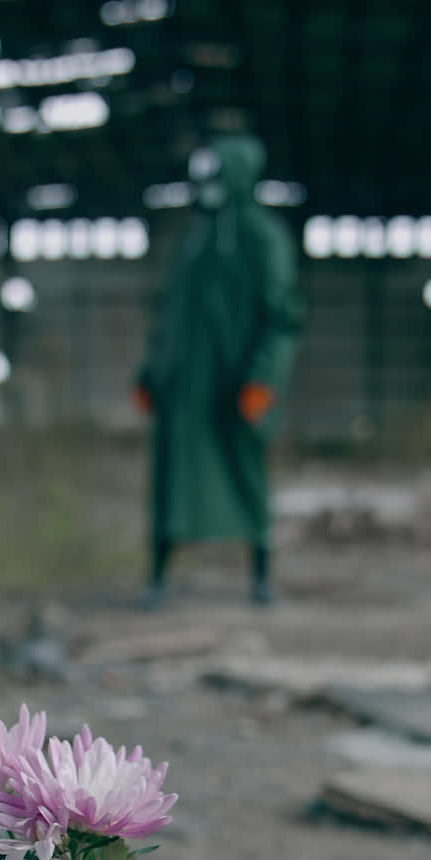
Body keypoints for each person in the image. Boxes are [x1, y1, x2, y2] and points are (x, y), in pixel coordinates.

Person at [134, 133, 303, 605]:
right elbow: (170, 318)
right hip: (183, 390)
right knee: (172, 480)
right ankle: (157, 577)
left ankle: (262, 576)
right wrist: (150, 373)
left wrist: (264, 379)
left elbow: (282, 320)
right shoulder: (194, 243)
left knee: (246, 473)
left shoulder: (262, 237)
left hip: (235, 388)